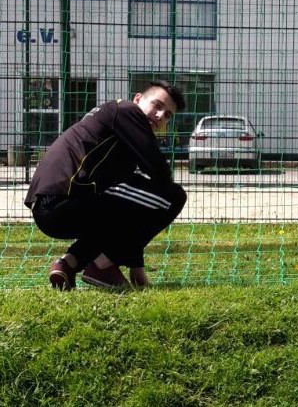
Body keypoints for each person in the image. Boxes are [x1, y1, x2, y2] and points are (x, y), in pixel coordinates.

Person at [25, 80, 188, 290]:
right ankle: (102, 266)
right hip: (64, 200)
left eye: (167, 115)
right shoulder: (126, 110)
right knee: (172, 196)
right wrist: (132, 261)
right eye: (157, 105)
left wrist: (136, 264)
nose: (159, 116)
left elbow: (131, 208)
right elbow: (160, 172)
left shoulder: (118, 135)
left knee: (130, 205)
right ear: (138, 98)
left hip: (49, 208)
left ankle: (67, 264)